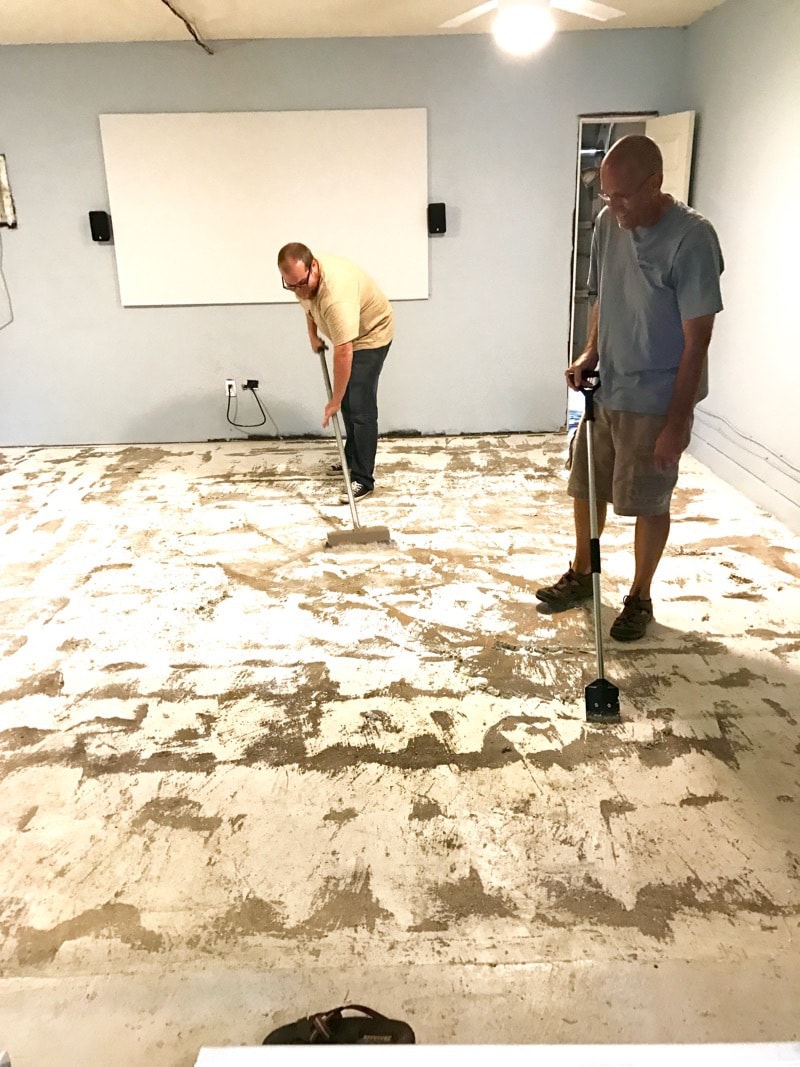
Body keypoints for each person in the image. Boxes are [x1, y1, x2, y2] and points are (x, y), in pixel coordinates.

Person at [536, 134, 724, 641]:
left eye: (622, 196)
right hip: (608, 387)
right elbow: (603, 294)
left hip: (656, 398)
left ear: (656, 183)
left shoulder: (692, 239)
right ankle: (582, 575)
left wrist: (678, 422)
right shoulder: (606, 224)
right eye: (606, 195)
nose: (613, 207)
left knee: (647, 499)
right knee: (585, 485)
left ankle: (640, 596)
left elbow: (698, 338)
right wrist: (590, 351)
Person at [277, 242, 393, 502]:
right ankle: (351, 458)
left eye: (301, 283)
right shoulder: (302, 281)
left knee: (358, 405)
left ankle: (363, 479)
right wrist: (313, 336)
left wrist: (335, 401)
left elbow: (344, 352)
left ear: (313, 266)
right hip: (350, 339)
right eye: (291, 285)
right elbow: (308, 307)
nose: (298, 290)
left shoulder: (335, 295)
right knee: (349, 402)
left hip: (371, 334)